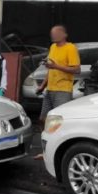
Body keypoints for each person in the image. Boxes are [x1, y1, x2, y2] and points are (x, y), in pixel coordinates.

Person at [34, 25, 80, 159]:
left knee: (59, 123)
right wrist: (43, 85)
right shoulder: (53, 47)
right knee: (43, 119)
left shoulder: (70, 48)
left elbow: (77, 70)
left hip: (63, 90)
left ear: (64, 34)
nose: (53, 36)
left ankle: (60, 153)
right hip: (50, 89)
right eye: (52, 33)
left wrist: (55, 66)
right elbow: (51, 69)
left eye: (56, 33)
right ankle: (46, 151)